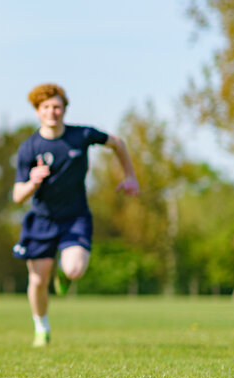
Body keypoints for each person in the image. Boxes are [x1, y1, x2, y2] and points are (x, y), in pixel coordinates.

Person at [11, 83, 139, 347]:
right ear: (37, 111)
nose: (52, 112)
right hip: (42, 220)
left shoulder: (82, 135)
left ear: (64, 108)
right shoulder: (29, 148)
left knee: (75, 268)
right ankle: (41, 327)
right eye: (46, 107)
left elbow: (117, 142)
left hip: (75, 217)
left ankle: (65, 275)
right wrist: (33, 182)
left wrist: (130, 176)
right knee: (37, 279)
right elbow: (17, 195)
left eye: (57, 106)